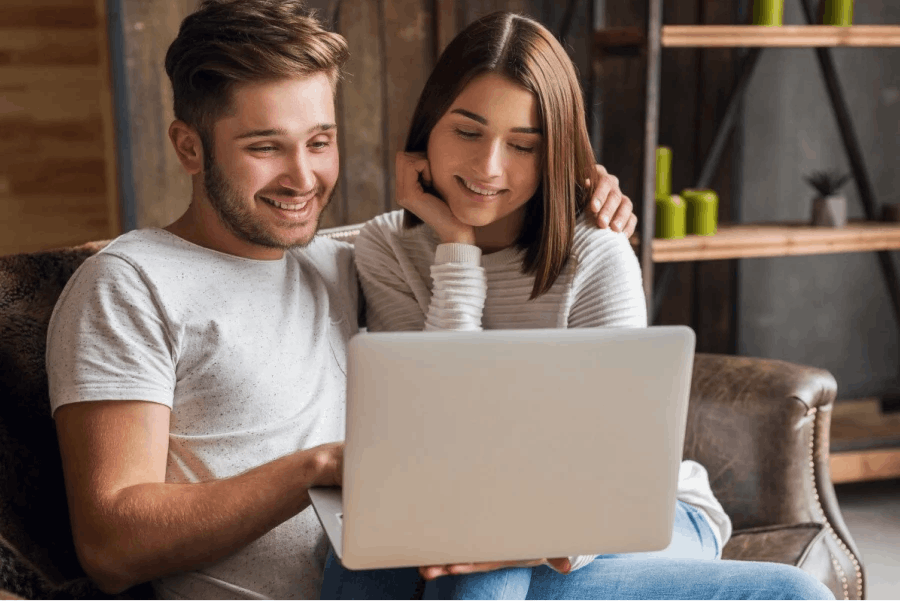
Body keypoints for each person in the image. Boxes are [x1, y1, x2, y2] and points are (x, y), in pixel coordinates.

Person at [44, 1, 635, 599]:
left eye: (319, 142)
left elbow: (476, 233)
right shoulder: (129, 284)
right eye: (265, 147)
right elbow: (111, 547)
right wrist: (319, 469)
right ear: (189, 147)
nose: (302, 179)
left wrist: (579, 187)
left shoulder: (338, 260)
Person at [325, 10, 837, 601]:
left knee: (481, 577)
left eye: (523, 145)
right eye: (467, 132)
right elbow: (440, 433)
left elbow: (617, 477)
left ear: (555, 155)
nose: (490, 167)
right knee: (384, 569)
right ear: (426, 131)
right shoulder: (387, 249)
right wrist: (456, 251)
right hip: (470, 508)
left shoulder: (596, 254)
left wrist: (520, 541)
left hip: (627, 518)